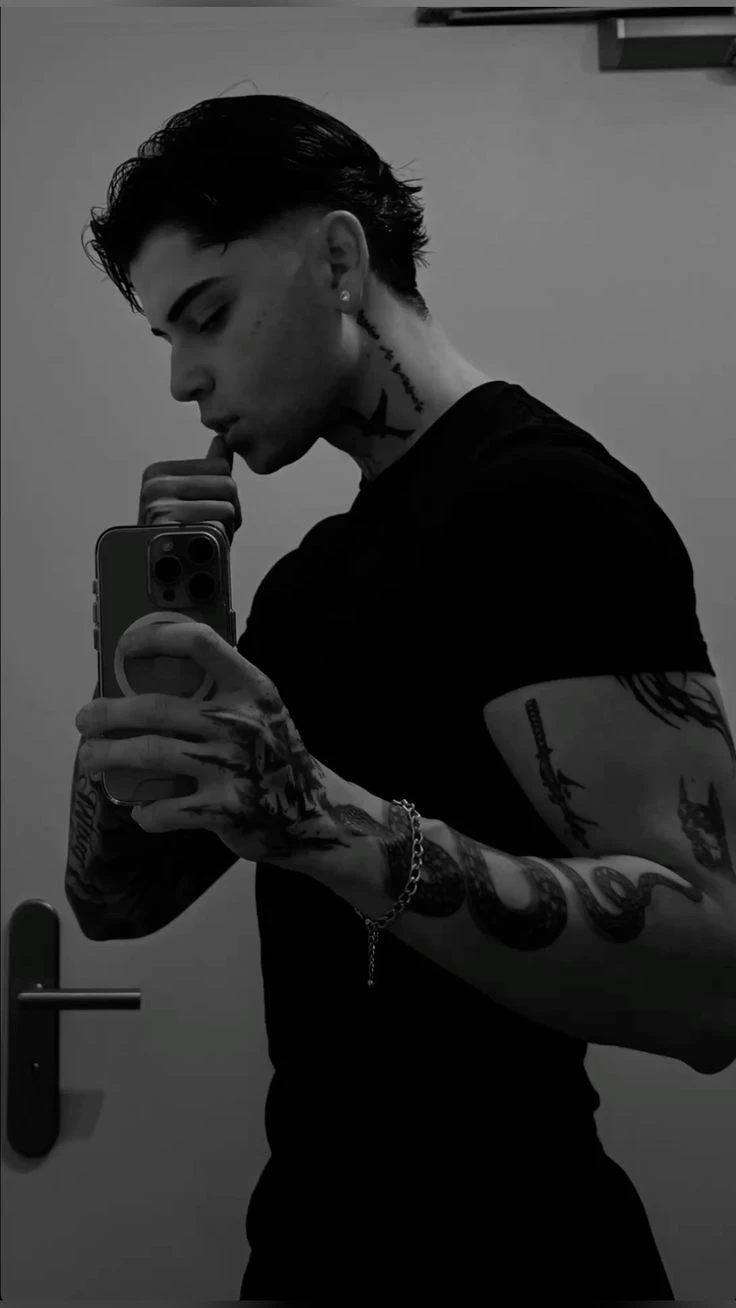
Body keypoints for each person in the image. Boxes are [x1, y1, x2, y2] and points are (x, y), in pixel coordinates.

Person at [78, 88, 722, 1299]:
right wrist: (151, 649)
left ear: (338, 260)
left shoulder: (546, 506)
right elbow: (118, 902)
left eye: (206, 316)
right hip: (308, 1244)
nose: (182, 378)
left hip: (517, 1256)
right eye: (166, 337)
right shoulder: (310, 579)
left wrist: (324, 820)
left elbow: (713, 982)